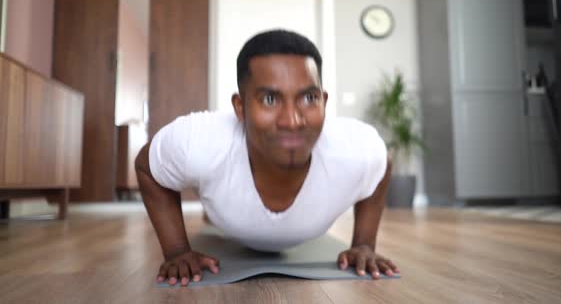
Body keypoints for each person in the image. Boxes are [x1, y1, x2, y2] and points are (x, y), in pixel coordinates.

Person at [135, 29, 399, 287]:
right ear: (240, 107)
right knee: (213, 215)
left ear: (324, 101)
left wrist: (364, 243)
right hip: (226, 221)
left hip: (297, 229)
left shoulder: (356, 147)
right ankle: (210, 214)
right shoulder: (200, 141)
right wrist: (177, 250)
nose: (292, 121)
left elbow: (382, 164)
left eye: (309, 98)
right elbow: (147, 166)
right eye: (271, 99)